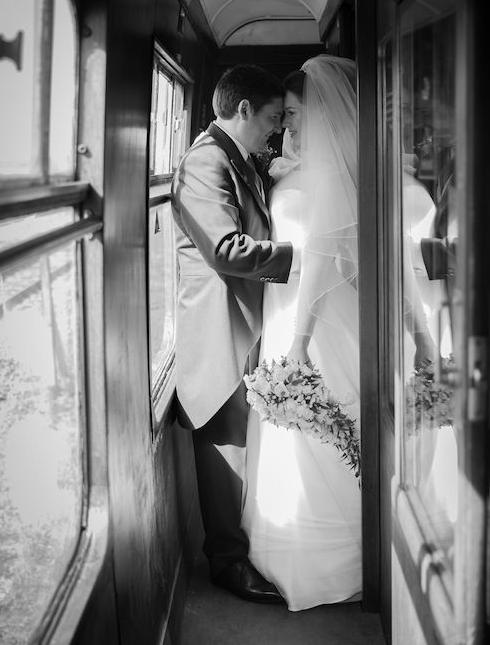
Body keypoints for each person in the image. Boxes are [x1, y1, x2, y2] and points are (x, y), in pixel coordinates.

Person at [171, 64, 298, 604]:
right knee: (226, 452)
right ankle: (227, 564)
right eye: (272, 119)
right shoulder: (206, 159)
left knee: (245, 453)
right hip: (220, 328)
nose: (276, 131)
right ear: (242, 109)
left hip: (245, 323)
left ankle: (243, 549)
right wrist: (305, 257)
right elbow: (225, 250)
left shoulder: (237, 157)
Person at [241, 55, 362, 611]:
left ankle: (328, 557)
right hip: (284, 308)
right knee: (297, 435)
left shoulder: (333, 173)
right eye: (282, 116)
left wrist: (297, 342)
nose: (286, 126)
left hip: (307, 319)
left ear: (320, 112)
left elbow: (317, 260)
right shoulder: (302, 168)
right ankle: (284, 542)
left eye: (292, 114)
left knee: (316, 423)